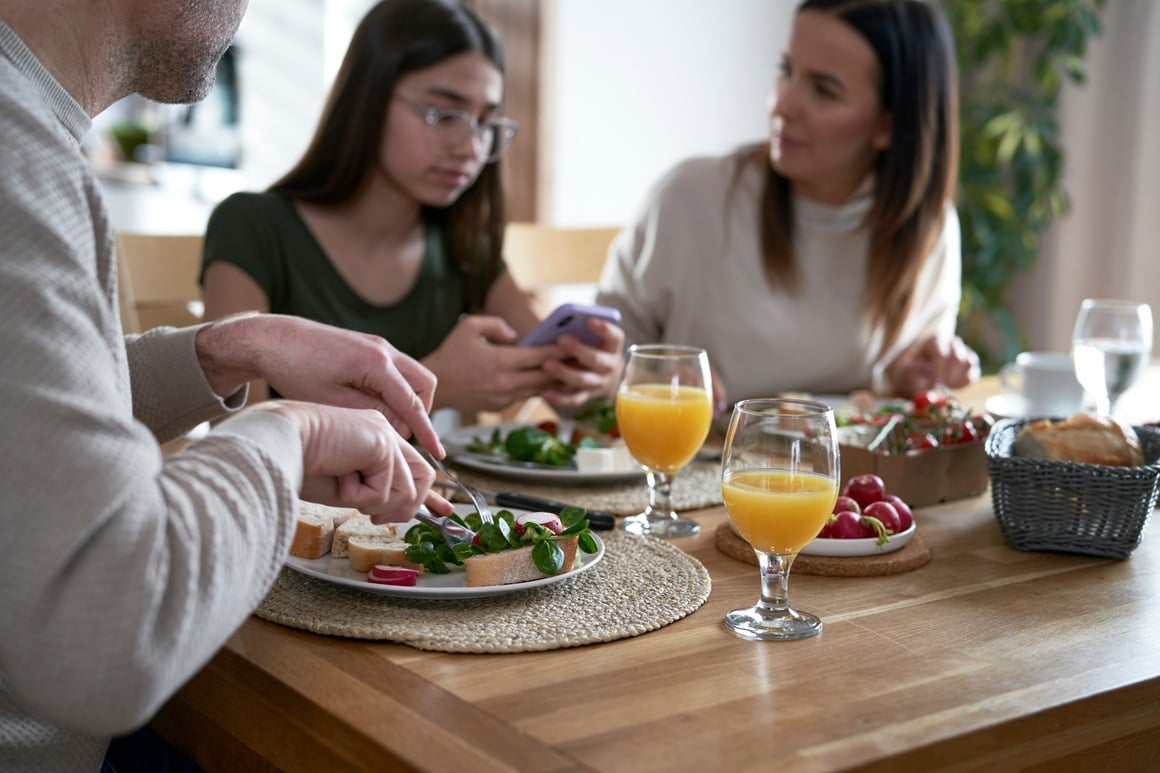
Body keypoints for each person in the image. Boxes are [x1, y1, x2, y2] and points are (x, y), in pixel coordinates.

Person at [0, 0, 456, 768]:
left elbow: (24, 424)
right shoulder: (19, 157)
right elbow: (108, 640)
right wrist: (287, 432)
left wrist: (227, 350)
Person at [200, 0, 625, 418]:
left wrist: (596, 380)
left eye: (485, 122)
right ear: (368, 98)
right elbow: (239, 436)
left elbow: (566, 384)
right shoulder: (251, 226)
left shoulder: (463, 247)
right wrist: (434, 387)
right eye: (444, 114)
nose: (471, 148)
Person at [597, 0, 979, 411]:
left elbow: (900, 403)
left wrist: (911, 378)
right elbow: (596, 365)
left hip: (846, 474)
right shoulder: (690, 198)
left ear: (888, 126)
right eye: (786, 71)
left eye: (824, 90)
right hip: (697, 467)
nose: (782, 104)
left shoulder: (928, 229)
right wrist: (650, 379)